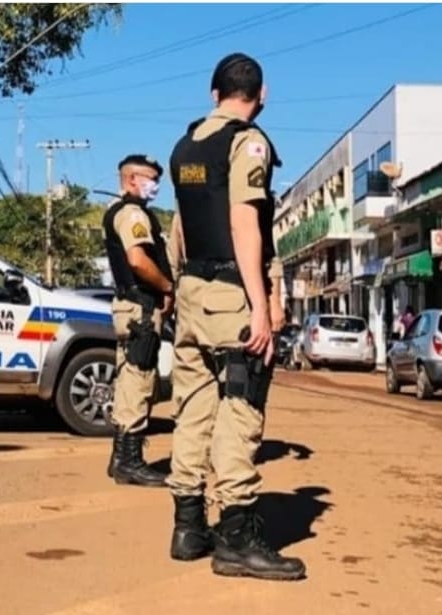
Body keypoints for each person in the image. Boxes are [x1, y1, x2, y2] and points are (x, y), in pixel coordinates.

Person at [165, 52, 306, 581]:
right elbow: (245, 221)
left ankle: (188, 526)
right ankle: (237, 536)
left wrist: (177, 290)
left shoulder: (186, 145)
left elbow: (179, 226)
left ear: (213, 93)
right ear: (261, 94)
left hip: (192, 293)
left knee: (193, 408)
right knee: (241, 408)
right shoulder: (248, 142)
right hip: (231, 294)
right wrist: (260, 307)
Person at [102, 154, 176, 487]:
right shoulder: (132, 214)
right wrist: (166, 285)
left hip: (130, 307)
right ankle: (129, 461)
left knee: (130, 376)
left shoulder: (120, 210)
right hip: (140, 307)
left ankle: (121, 457)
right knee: (138, 379)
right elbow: (138, 259)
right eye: (149, 178)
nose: (155, 185)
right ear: (131, 179)